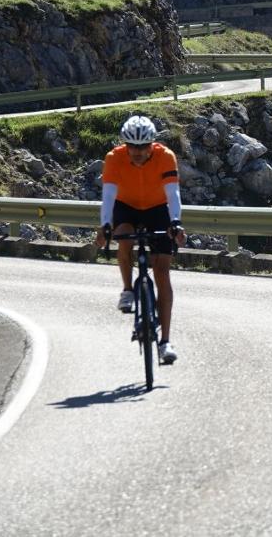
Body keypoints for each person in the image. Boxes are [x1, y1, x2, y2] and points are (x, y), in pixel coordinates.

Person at [94, 115, 186, 364]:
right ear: (125, 144)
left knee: (162, 272)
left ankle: (165, 341)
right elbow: (109, 196)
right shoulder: (114, 158)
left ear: (152, 144)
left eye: (143, 146)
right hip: (127, 206)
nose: (137, 152)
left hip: (158, 208)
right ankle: (127, 290)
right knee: (123, 236)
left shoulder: (166, 156)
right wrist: (104, 225)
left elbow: (173, 193)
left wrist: (176, 222)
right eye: (132, 146)